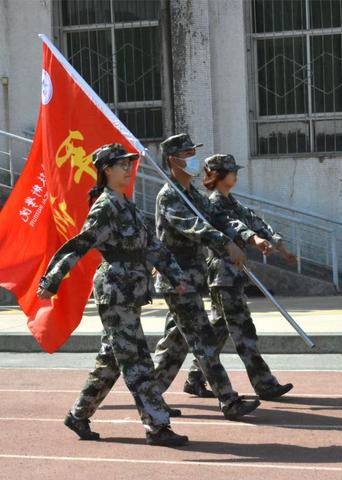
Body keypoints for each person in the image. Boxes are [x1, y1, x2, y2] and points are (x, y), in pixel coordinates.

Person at [37, 143, 189, 447]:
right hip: (115, 291)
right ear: (107, 169)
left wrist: (176, 274)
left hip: (129, 290)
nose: (128, 168)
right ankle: (157, 426)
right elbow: (81, 243)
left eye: (129, 164)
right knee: (137, 360)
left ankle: (78, 414)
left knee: (111, 359)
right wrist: (52, 279)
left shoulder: (126, 203)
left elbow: (151, 246)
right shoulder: (106, 206)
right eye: (122, 164)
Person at [152, 134, 269, 419]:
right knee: (203, 340)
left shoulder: (192, 194)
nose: (194, 158)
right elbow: (194, 227)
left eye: (194, 151)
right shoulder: (170, 196)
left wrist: (249, 237)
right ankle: (228, 401)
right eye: (188, 153)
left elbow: (219, 218)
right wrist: (225, 244)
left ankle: (149, 395)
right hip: (176, 279)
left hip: (191, 278)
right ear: (173, 160)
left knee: (175, 345)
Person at [185, 154, 295, 400]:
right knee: (244, 331)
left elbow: (254, 221)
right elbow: (234, 226)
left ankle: (194, 378)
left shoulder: (231, 201)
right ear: (218, 175)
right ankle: (265, 384)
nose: (235, 175)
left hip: (233, 275)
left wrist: (279, 245)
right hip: (223, 274)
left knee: (218, 332)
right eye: (231, 171)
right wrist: (254, 240)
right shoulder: (213, 205)